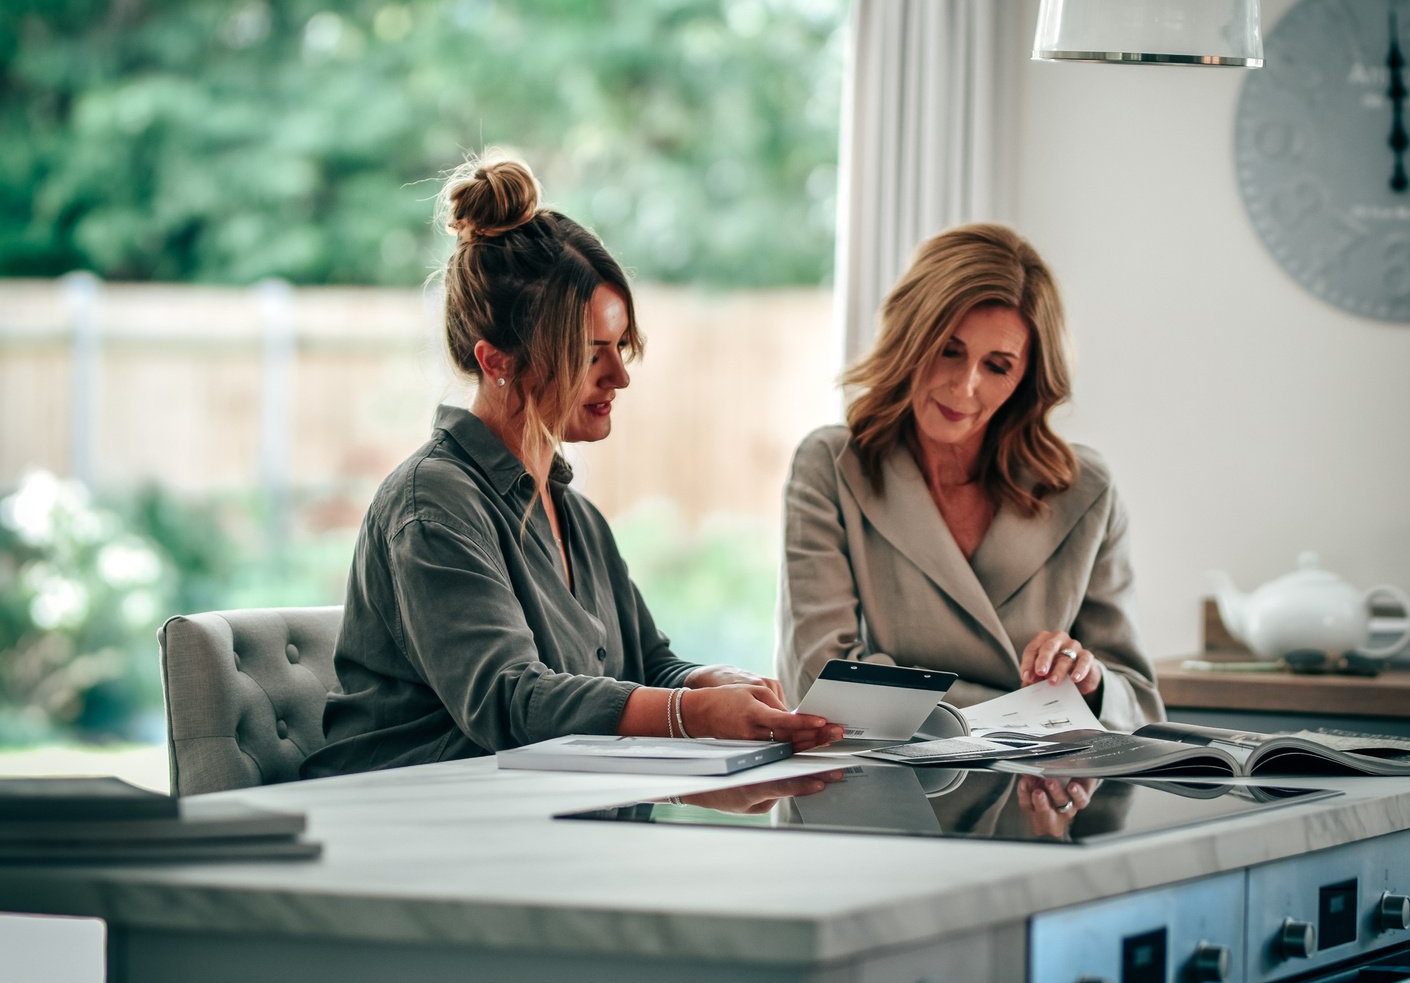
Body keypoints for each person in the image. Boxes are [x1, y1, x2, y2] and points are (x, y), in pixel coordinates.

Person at [304, 151, 840, 779]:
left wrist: (706, 681)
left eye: (620, 347)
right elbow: (510, 703)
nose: (619, 376)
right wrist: (691, 714)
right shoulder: (432, 507)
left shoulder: (576, 516)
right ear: (497, 361)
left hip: (544, 810)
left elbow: (647, 667)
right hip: (418, 814)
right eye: (590, 354)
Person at [775, 222, 1163, 739]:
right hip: (881, 782)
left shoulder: (1085, 491)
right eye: (949, 350)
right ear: (910, 337)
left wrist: (1089, 684)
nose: (964, 386)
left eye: (997, 366)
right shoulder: (832, 466)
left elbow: (1140, 708)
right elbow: (821, 686)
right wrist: (1040, 711)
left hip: (1040, 786)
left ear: (1027, 378)